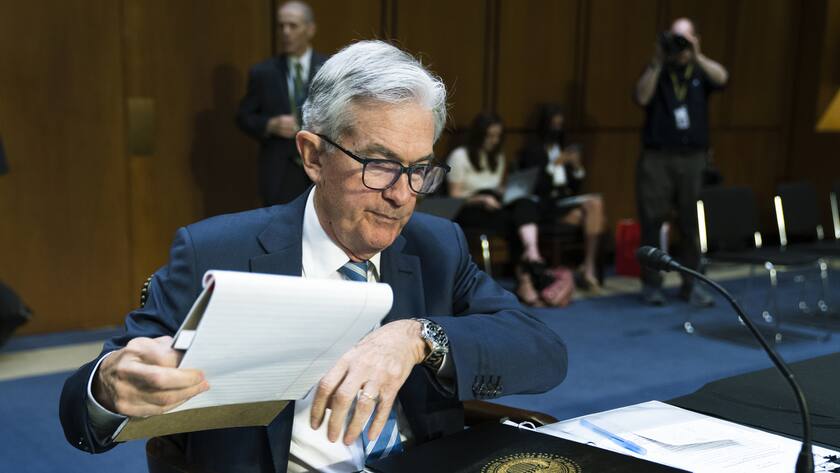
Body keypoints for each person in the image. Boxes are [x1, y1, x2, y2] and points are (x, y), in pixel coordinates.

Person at [59, 41, 568, 473]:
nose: (403, 195)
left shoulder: (437, 245)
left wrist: (418, 337)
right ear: (312, 156)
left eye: (419, 169)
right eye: (380, 164)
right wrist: (109, 386)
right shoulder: (216, 252)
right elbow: (85, 413)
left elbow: (543, 352)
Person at [634, 17, 728, 306]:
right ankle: (652, 285)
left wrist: (697, 54)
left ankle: (692, 284)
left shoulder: (699, 71)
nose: (680, 45)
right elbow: (641, 96)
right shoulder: (658, 70)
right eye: (676, 38)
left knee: (690, 223)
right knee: (652, 221)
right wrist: (657, 60)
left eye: (685, 39)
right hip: (658, 157)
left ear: (695, 38)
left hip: (693, 158)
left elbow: (722, 78)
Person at [446, 113, 551, 306]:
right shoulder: (460, 156)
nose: (494, 140)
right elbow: (454, 197)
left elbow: (497, 185)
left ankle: (532, 251)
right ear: (479, 135)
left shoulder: (497, 157)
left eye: (497, 136)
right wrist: (481, 198)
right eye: (490, 135)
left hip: (492, 204)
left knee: (525, 203)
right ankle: (526, 278)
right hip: (469, 207)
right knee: (515, 223)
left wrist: (506, 190)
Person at [237, 1, 329, 206]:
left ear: (310, 29)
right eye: (281, 26)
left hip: (321, 164)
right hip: (279, 170)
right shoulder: (263, 72)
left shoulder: (329, 69)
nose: (286, 32)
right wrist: (269, 125)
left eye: (293, 26)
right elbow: (244, 116)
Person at [519, 104, 606, 291]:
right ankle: (586, 269)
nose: (557, 129)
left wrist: (576, 168)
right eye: (554, 124)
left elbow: (574, 188)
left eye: (560, 125)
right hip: (544, 205)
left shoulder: (564, 148)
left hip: (564, 201)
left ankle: (588, 265)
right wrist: (554, 165)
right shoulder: (533, 151)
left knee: (595, 205)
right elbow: (534, 186)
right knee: (592, 216)